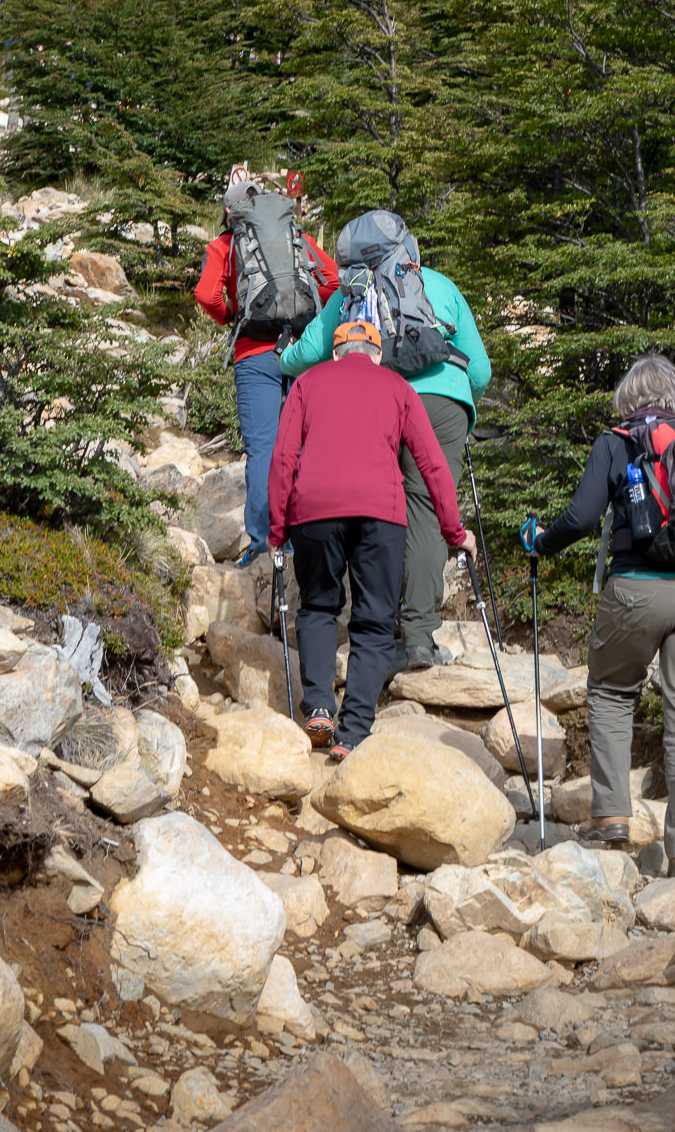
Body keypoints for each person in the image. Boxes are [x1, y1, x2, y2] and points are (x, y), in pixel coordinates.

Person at [524, 355, 675, 878]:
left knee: (609, 690)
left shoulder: (617, 440)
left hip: (636, 589)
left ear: (628, 398)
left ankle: (610, 816)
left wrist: (541, 542)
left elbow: (582, 518)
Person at [279, 218, 491, 669]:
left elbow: (305, 356)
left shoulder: (350, 295)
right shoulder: (438, 286)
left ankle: (380, 629)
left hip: (376, 407)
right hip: (444, 405)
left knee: (381, 513)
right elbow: (481, 370)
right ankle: (418, 638)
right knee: (426, 512)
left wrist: (281, 354)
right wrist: (460, 408)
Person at [267, 318, 469, 757]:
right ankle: (354, 730)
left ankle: (319, 706)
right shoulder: (399, 388)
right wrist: (455, 531)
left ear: (336, 352)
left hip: (314, 509)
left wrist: (277, 529)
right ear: (378, 354)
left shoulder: (306, 382)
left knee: (319, 605)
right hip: (382, 513)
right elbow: (432, 464)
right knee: (375, 622)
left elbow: (283, 457)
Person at [194, 183, 338, 566]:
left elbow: (206, 295)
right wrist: (308, 320)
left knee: (263, 449)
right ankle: (305, 534)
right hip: (302, 352)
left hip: (255, 355)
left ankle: (263, 543)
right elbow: (335, 281)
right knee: (302, 447)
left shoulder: (224, 246)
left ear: (229, 211)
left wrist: (234, 320)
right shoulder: (297, 238)